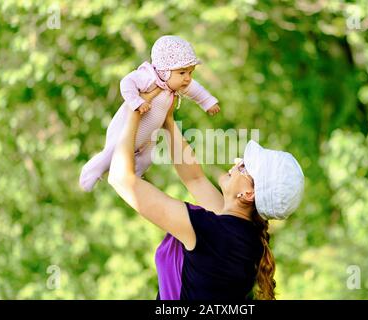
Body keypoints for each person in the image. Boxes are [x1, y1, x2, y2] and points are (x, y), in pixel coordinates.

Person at [107, 90, 304, 300]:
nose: (237, 161)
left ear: (248, 194)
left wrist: (133, 110)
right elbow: (195, 179)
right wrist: (168, 121)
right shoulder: (245, 237)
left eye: (245, 166)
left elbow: (120, 178)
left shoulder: (212, 232)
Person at [79, 35, 220, 192]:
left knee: (147, 160)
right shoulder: (148, 77)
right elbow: (126, 82)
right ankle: (90, 172)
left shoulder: (177, 84)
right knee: (111, 153)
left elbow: (197, 90)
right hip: (124, 129)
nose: (187, 78)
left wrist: (208, 102)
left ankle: (133, 181)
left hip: (148, 138)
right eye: (182, 72)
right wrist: (136, 102)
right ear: (164, 71)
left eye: (190, 73)